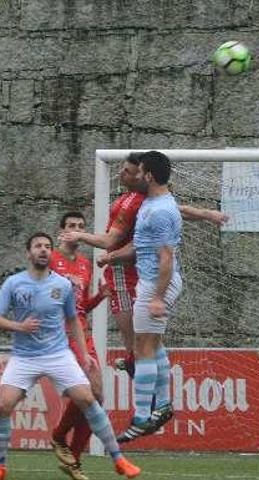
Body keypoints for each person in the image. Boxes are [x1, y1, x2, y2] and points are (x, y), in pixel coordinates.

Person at [0, 232, 140, 480]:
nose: (43, 250)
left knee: (89, 399)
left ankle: (119, 460)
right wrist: (18, 327)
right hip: (24, 357)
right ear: (28, 252)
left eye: (46, 246)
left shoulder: (63, 285)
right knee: (3, 405)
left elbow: (73, 320)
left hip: (58, 354)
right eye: (37, 246)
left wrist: (85, 354)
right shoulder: (14, 283)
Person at [60, 152, 227, 377]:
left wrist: (86, 241)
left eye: (130, 171)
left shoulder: (134, 203)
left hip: (126, 272)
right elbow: (180, 210)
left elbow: (111, 241)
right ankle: (151, 392)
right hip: (139, 273)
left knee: (139, 347)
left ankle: (142, 385)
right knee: (147, 343)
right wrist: (208, 214)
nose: (122, 173)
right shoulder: (151, 201)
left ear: (143, 176)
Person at [102, 151, 183, 442]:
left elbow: (166, 258)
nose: (135, 176)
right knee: (154, 344)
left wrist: (158, 297)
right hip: (152, 282)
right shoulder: (155, 202)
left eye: (139, 172)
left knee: (142, 347)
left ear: (148, 175)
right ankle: (162, 405)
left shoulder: (160, 210)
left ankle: (140, 418)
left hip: (155, 283)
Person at [49, 211, 111, 480]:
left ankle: (72, 456)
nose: (76, 230)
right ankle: (60, 436)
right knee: (86, 394)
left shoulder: (86, 264)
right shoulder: (49, 259)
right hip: (58, 335)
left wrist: (100, 296)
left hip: (81, 334)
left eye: (81, 226)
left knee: (97, 397)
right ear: (61, 231)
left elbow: (81, 306)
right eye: (72, 226)